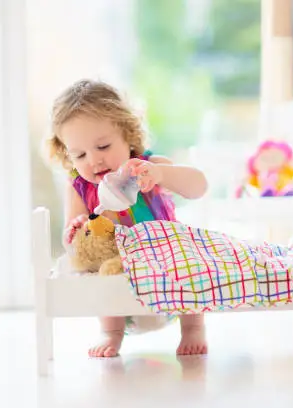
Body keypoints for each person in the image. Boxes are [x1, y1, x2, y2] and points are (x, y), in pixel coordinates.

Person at [46, 79, 208, 358]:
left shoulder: (147, 167)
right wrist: (75, 229)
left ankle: (193, 326)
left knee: (190, 263)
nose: (94, 160)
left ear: (128, 135)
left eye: (103, 146)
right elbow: (73, 237)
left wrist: (162, 175)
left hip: (164, 267)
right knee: (94, 270)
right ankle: (111, 331)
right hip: (117, 271)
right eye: (80, 154)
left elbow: (199, 186)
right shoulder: (79, 186)